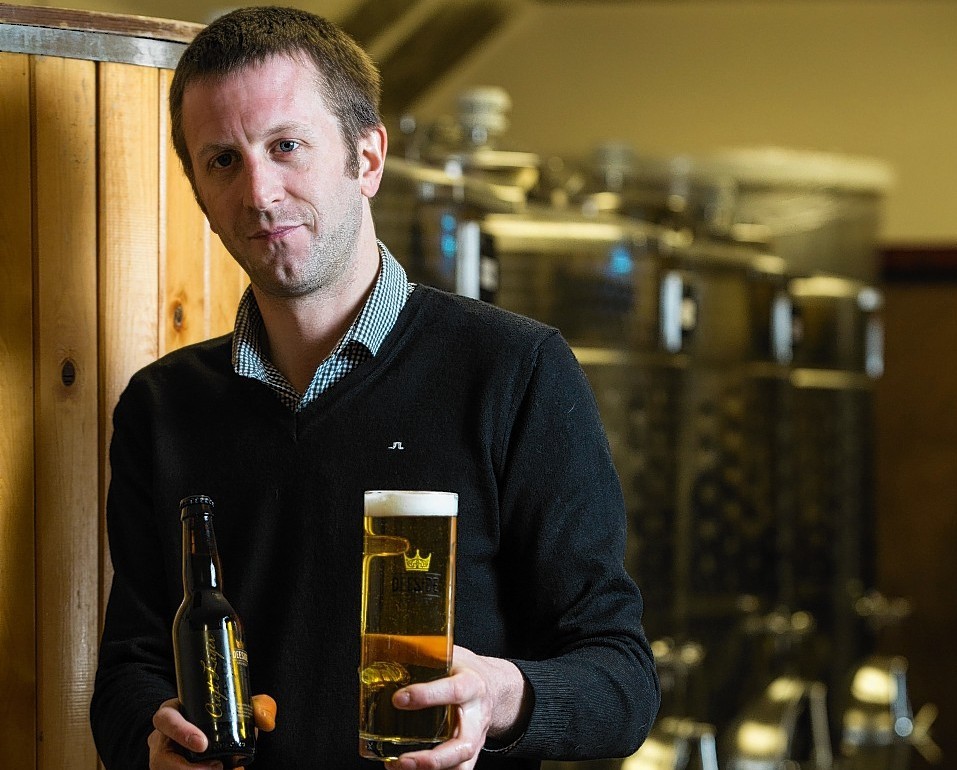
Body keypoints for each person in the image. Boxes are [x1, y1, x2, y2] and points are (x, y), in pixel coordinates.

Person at [90, 7, 660, 769]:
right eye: (222, 160)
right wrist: (149, 743)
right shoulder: (162, 407)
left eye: (286, 146)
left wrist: (500, 694)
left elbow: (621, 678)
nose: (259, 192)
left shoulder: (514, 370)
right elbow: (131, 667)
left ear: (366, 158)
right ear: (197, 189)